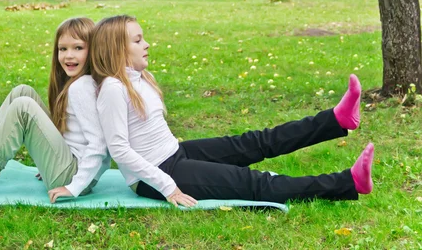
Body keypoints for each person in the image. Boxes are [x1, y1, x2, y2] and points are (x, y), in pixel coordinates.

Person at [90, 14, 374, 207]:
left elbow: (147, 129)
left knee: (255, 142)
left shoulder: (139, 79)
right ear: (117, 49)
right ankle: (347, 182)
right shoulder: (113, 89)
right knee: (253, 184)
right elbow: (119, 150)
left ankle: (336, 119)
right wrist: (168, 187)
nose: (147, 44)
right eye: (137, 40)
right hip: (155, 176)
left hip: (175, 154)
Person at [0, 17, 110, 202]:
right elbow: (76, 136)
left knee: (23, 107)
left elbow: (99, 144)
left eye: (78, 48)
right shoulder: (79, 83)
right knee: (23, 92)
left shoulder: (82, 87)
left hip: (74, 179)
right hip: (70, 166)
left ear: (93, 50)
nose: (68, 55)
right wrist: (49, 161)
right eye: (62, 49)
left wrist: (74, 185)